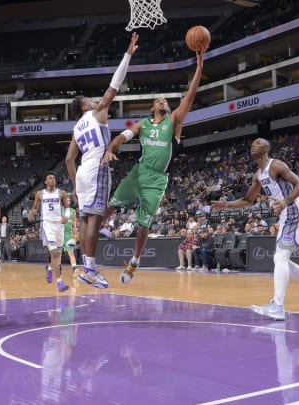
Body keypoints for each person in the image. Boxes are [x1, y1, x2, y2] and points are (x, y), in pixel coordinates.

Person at [101, 44, 206, 284]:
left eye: (165, 100)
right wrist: (111, 147)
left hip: (157, 179)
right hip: (139, 172)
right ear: (152, 107)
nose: (162, 101)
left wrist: (199, 67)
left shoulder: (174, 121)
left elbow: (189, 96)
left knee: (143, 224)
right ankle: (87, 236)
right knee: (111, 207)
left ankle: (135, 262)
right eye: (158, 100)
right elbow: (122, 137)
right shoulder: (143, 124)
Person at [211, 138, 299, 321]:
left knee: (280, 257)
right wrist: (226, 205)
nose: (253, 145)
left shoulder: (275, 165)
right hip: (287, 215)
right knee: (282, 260)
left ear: (266, 148)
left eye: (258, 143)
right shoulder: (258, 175)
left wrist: (285, 201)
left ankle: (278, 305)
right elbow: (247, 200)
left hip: (294, 210)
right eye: (252, 143)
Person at [65, 32, 139, 289]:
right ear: (85, 107)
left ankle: (87, 268)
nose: (94, 100)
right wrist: (128, 54)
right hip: (97, 169)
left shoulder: (76, 129)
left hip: (84, 172)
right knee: (94, 220)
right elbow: (114, 85)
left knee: (86, 220)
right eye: (89, 100)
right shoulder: (96, 112)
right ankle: (91, 269)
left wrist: (74, 186)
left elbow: (68, 159)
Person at [27, 172, 72, 292]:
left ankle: (49, 270)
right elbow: (35, 208)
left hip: (59, 226)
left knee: (57, 254)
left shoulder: (61, 193)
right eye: (50, 178)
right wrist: (31, 214)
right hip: (47, 226)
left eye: (54, 178)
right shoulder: (40, 194)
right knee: (54, 254)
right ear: (45, 182)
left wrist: (66, 217)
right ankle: (60, 283)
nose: (53, 180)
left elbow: (67, 208)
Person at [61, 199, 79, 271]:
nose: (67, 201)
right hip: (60, 233)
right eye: (66, 200)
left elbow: (74, 220)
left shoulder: (73, 211)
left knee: (70, 252)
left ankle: (74, 268)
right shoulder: (59, 210)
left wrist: (75, 228)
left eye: (68, 200)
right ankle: (56, 267)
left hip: (68, 233)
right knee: (58, 253)